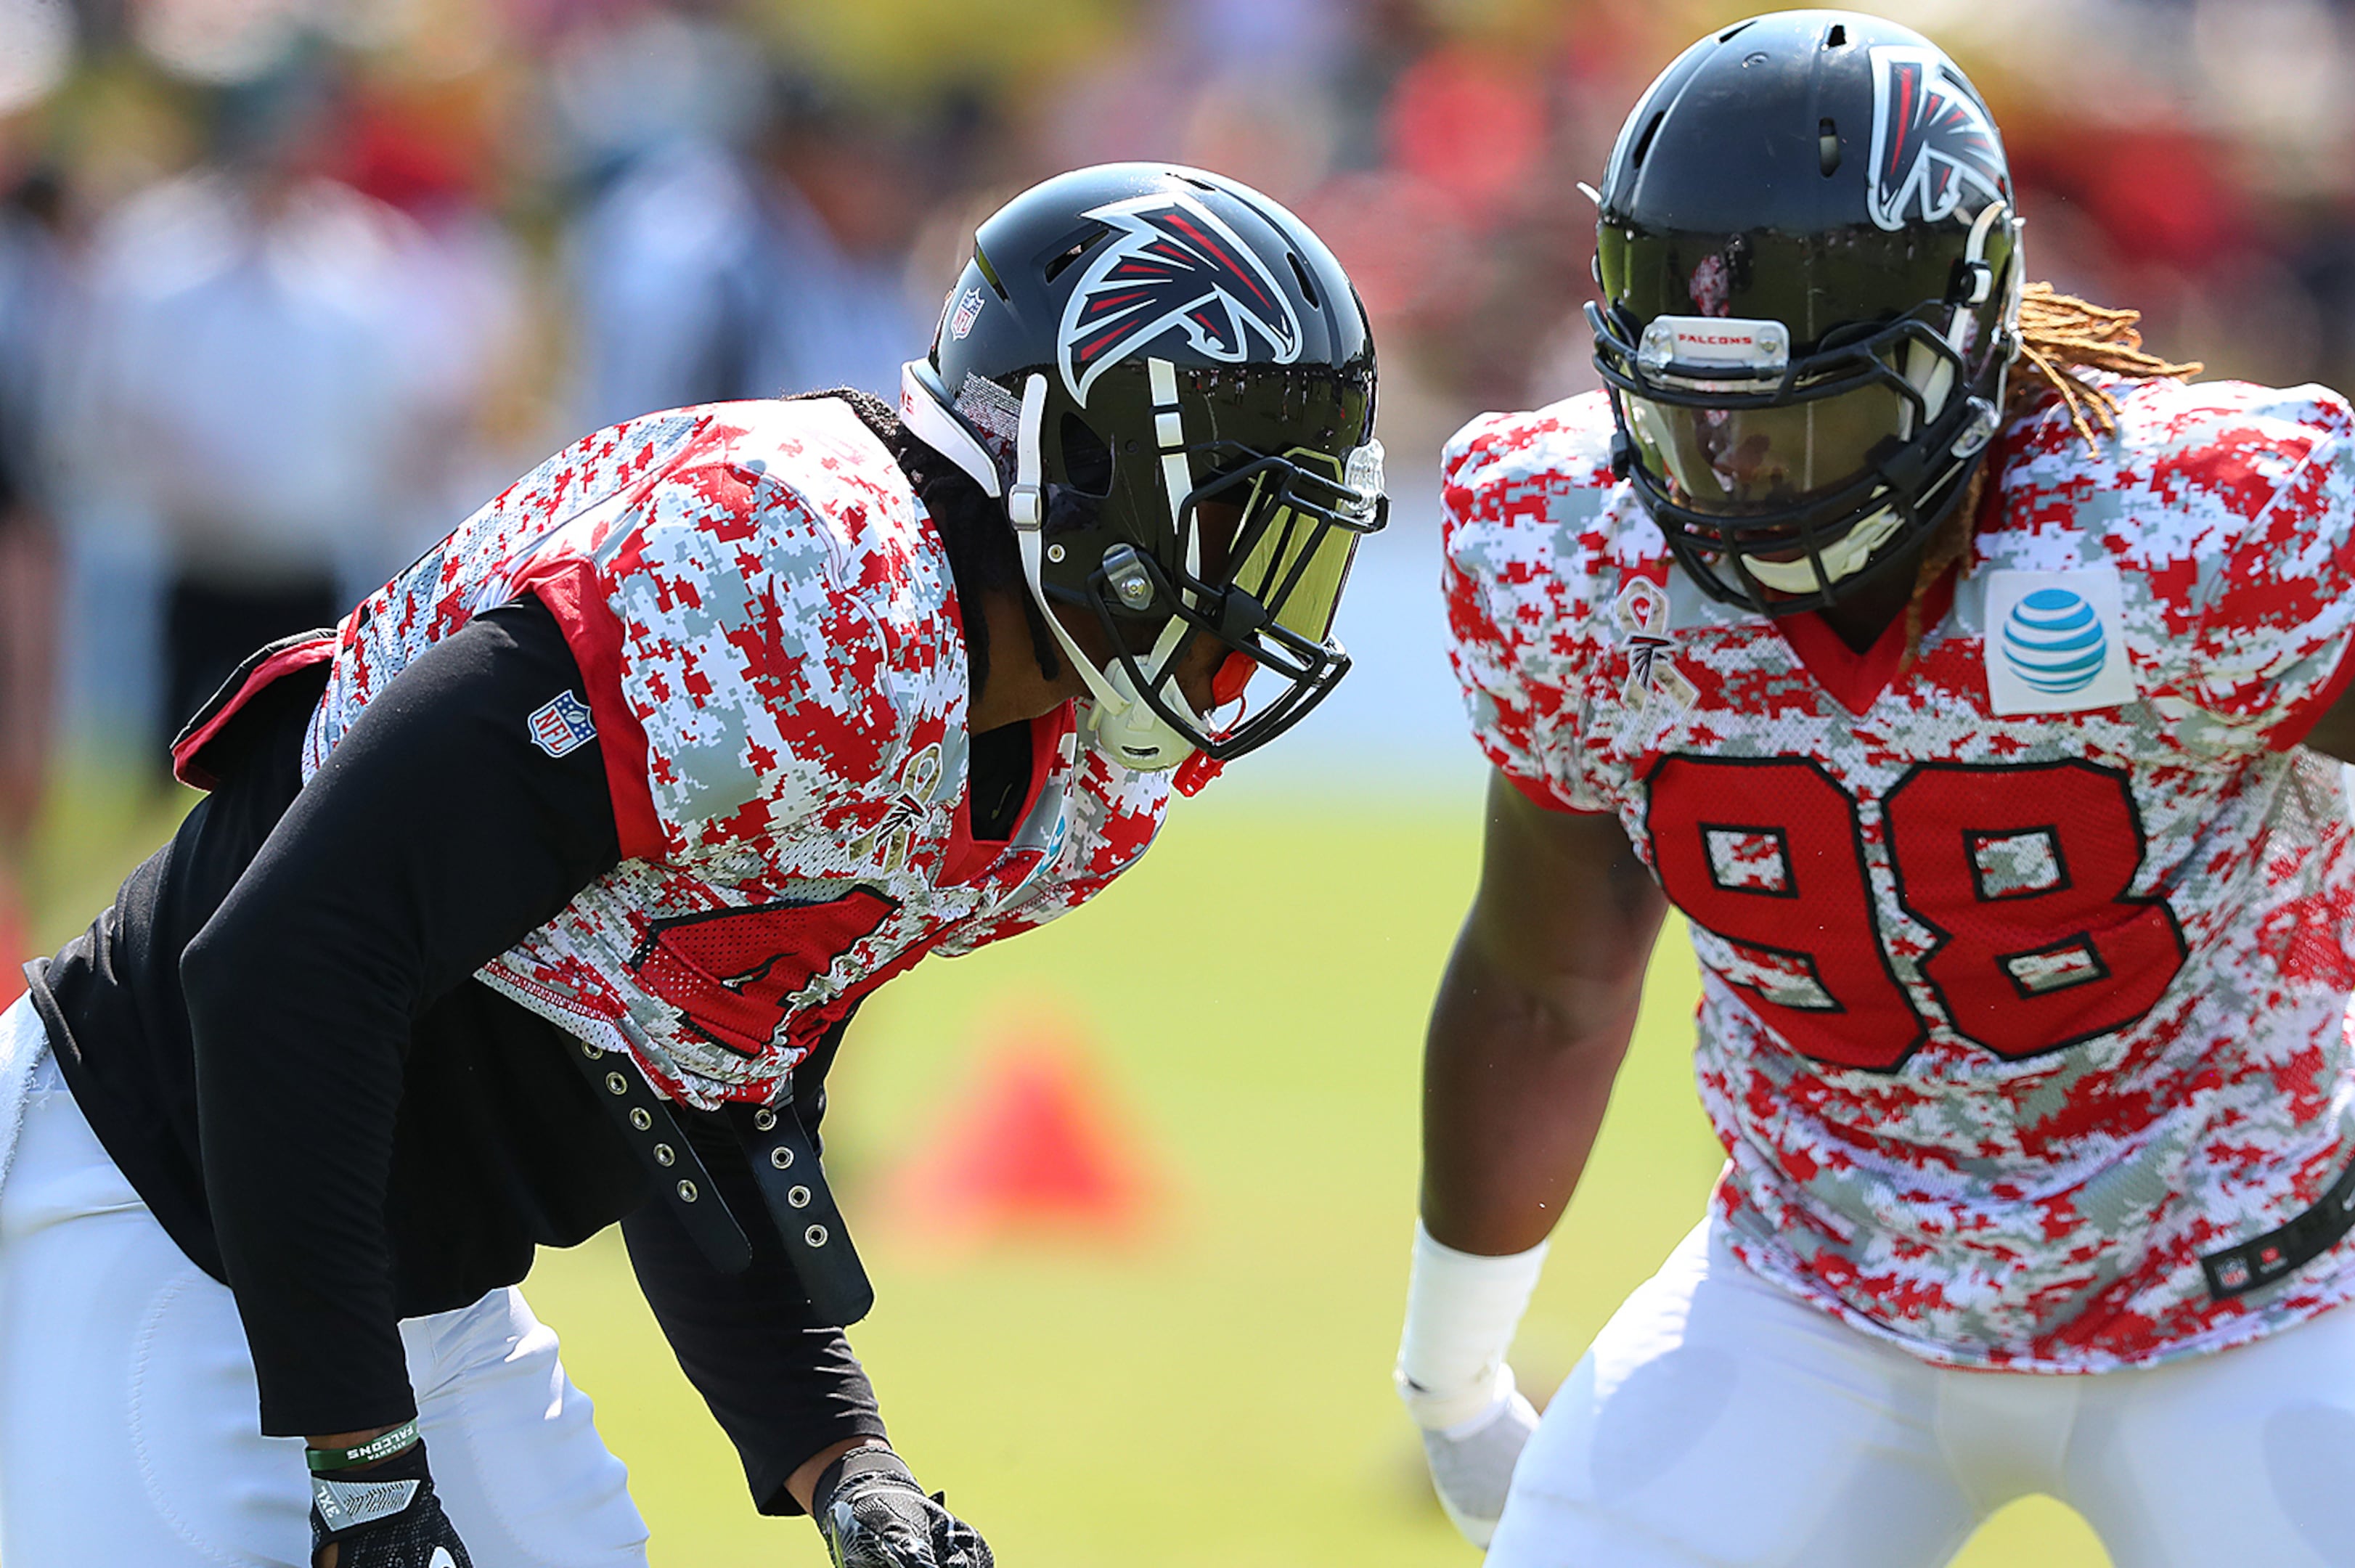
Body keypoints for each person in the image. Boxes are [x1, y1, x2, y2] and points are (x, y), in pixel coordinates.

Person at [1391, 15, 2355, 1566]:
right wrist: (1453, 1367)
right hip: (1814, 1297)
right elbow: (1549, 983)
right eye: (1687, 410)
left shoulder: (2178, 532)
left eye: (1801, 410)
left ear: (1962, 343)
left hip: (2244, 1304)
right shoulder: (1571, 549)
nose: (1736, 469)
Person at [1, 161, 1383, 1568]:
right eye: (1237, 519)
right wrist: (365, 1478)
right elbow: (282, 961)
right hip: (152, 1197)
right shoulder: (804, 572)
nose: (1258, 589)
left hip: (404, 1284)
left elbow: (698, 1078)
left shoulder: (1062, 769)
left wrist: (849, 1466)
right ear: (1078, 465)